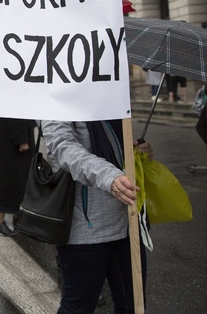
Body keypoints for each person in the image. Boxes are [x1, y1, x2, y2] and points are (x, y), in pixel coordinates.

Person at [40, 119, 152, 313]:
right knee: (78, 308)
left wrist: (139, 150)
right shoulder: (57, 99)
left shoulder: (112, 97)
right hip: (85, 231)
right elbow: (63, 147)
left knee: (134, 305)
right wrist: (108, 176)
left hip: (128, 223)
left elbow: (118, 148)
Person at [0, 117, 36, 236]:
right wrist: (22, 139)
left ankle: (18, 215)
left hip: (6, 135)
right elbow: (15, 112)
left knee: (10, 178)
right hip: (13, 140)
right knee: (12, 179)